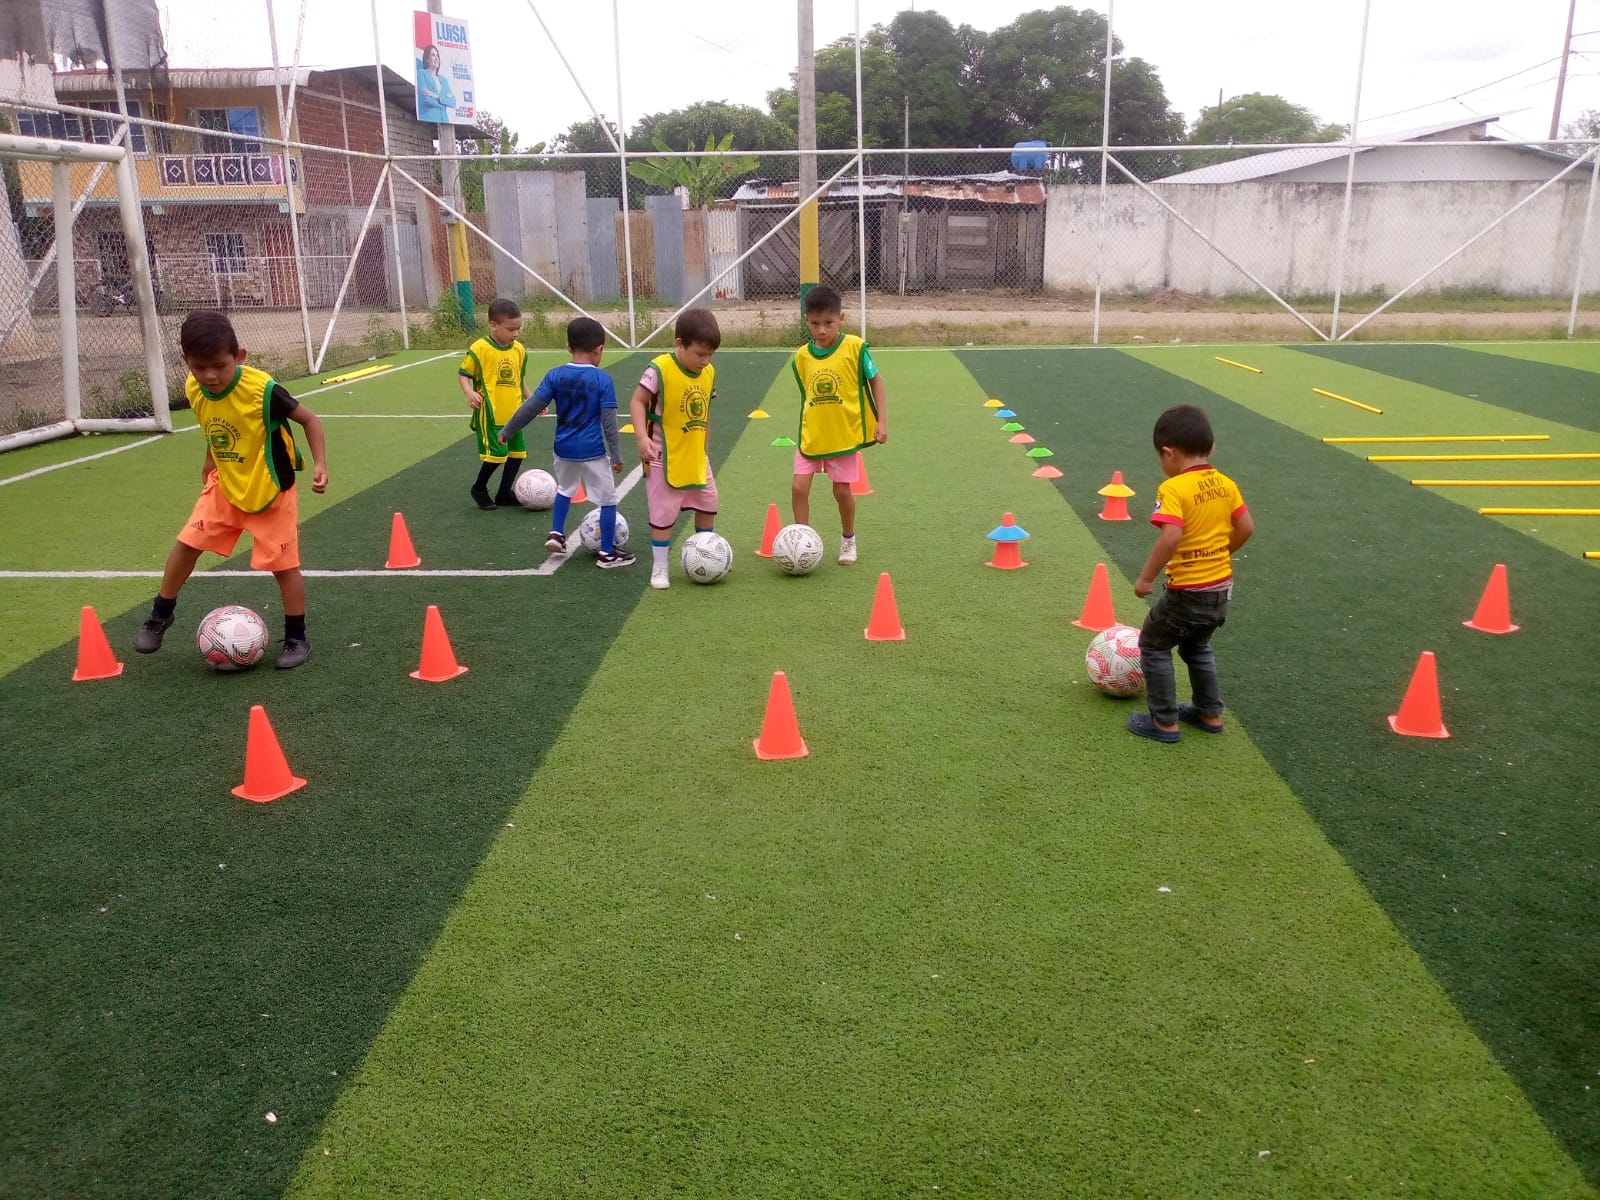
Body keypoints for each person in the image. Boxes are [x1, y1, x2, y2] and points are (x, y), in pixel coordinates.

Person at [134, 310, 328, 669]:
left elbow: (310, 419)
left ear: (239, 356)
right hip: (225, 483)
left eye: (219, 366)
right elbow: (215, 425)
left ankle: (296, 638)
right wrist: (210, 460)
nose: (210, 376)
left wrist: (319, 464)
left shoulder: (262, 390)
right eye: (199, 367)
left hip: (269, 488)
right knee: (187, 544)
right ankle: (160, 615)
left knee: (284, 566)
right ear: (186, 361)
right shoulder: (195, 387)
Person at [1127, 404, 1254, 743]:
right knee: (1196, 646)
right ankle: (1209, 713)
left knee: (1154, 644)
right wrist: (1220, 553)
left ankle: (1164, 722)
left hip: (1187, 591)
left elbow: (1171, 536)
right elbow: (1246, 527)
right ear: (1211, 447)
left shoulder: (1173, 488)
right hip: (1220, 589)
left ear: (1168, 453)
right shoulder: (1226, 483)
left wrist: (1146, 578)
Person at [498, 316, 635, 568]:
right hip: (592, 450)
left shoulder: (555, 375)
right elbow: (609, 423)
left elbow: (531, 407)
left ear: (569, 347)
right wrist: (616, 455)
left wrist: (508, 430)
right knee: (608, 500)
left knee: (565, 488)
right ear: (599, 349)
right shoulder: (603, 379)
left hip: (563, 448)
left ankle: (557, 534)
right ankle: (607, 553)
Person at [790, 285, 887, 565]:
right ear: (806, 321)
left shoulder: (855, 348)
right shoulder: (802, 357)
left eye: (828, 323)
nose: (821, 330)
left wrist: (881, 421)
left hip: (842, 435)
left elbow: (876, 381)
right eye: (814, 324)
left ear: (841, 318)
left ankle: (848, 539)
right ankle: (803, 541)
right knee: (798, 488)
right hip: (812, 435)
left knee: (841, 491)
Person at [629, 308, 722, 590]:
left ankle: (704, 551)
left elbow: (705, 413)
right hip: (663, 456)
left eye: (710, 355)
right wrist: (641, 438)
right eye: (700, 354)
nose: (705, 361)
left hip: (695, 456)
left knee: (709, 503)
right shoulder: (659, 369)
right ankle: (660, 566)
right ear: (679, 344)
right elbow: (637, 401)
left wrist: (704, 449)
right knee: (663, 513)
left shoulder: (708, 373)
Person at [457, 297, 530, 510]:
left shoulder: (519, 350)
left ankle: (504, 492)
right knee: (497, 455)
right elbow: (463, 373)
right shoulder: (480, 348)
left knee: (517, 454)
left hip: (514, 413)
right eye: (510, 329)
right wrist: (469, 392)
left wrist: (532, 399)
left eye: (518, 329)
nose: (515, 334)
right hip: (491, 412)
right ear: (493, 325)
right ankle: (479, 488)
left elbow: (519, 379)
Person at [415, 44, 455, 122]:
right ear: (427, 59)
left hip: (444, 120)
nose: (436, 58)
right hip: (428, 119)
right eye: (433, 55)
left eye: (437, 56)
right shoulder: (421, 73)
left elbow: (453, 102)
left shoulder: (443, 80)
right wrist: (443, 105)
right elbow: (426, 99)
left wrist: (436, 96)